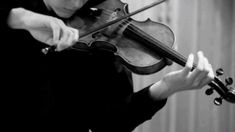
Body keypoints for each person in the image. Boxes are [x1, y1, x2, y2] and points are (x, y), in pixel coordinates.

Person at [1, 0, 214, 131]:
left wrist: (165, 88)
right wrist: (19, 18)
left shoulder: (104, 37)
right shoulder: (21, 11)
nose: (75, 3)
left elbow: (110, 124)